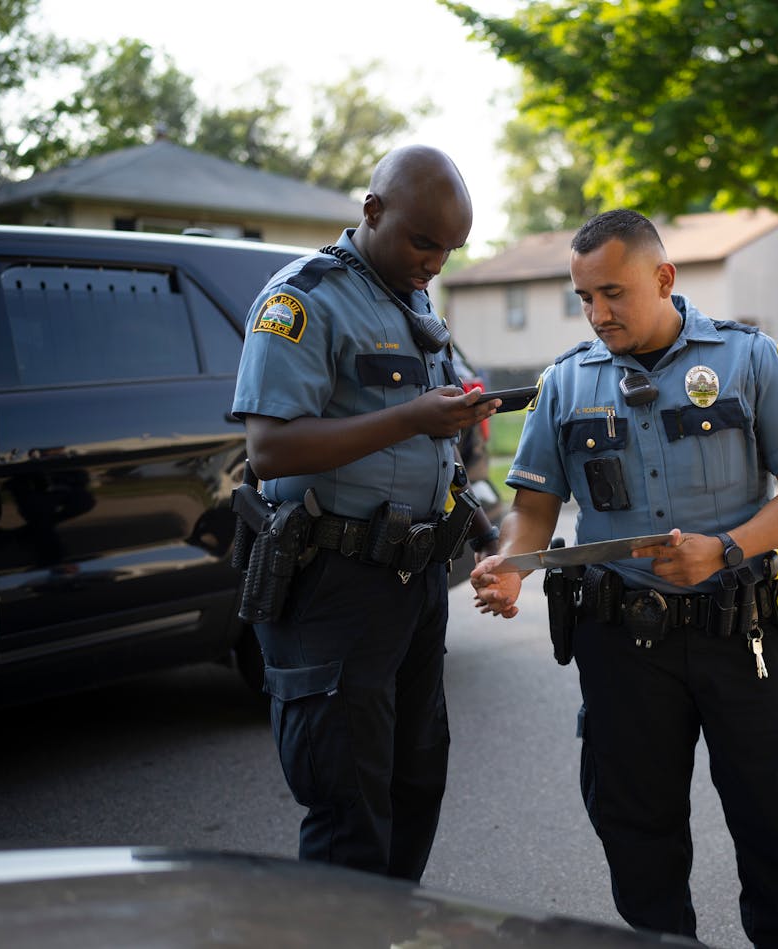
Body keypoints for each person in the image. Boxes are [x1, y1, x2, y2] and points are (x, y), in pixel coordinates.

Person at [470, 209, 778, 948]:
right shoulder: (566, 383)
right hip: (623, 644)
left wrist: (724, 548)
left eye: (612, 293)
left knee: (772, 832)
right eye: (583, 298)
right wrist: (512, 563)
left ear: (663, 278)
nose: (597, 313)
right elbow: (533, 509)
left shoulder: (748, 358)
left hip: (748, 634)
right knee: (639, 838)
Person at [231, 144, 501, 881]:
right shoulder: (302, 299)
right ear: (372, 210)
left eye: (449, 248)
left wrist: (479, 526)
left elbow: (427, 452)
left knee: (414, 784)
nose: (436, 263)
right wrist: (414, 416)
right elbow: (270, 449)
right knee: (348, 805)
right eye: (424, 241)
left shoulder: (410, 297)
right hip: (334, 583)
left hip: (411, 583)